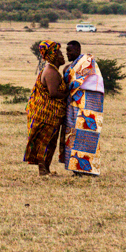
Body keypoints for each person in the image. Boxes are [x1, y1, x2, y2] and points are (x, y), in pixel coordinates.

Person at [23, 40, 68, 176]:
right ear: (53, 55)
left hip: (50, 115)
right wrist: (69, 93)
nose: (62, 55)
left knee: (49, 143)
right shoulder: (51, 72)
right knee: (45, 142)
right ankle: (43, 170)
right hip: (46, 115)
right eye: (59, 53)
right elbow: (53, 93)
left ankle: (46, 169)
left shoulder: (52, 70)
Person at [60, 40, 104, 176]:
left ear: (78, 50)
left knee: (88, 136)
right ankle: (75, 168)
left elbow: (93, 82)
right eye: (66, 50)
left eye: (70, 50)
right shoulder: (67, 68)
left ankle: (88, 169)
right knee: (71, 134)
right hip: (72, 105)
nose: (67, 53)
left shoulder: (87, 61)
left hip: (88, 105)